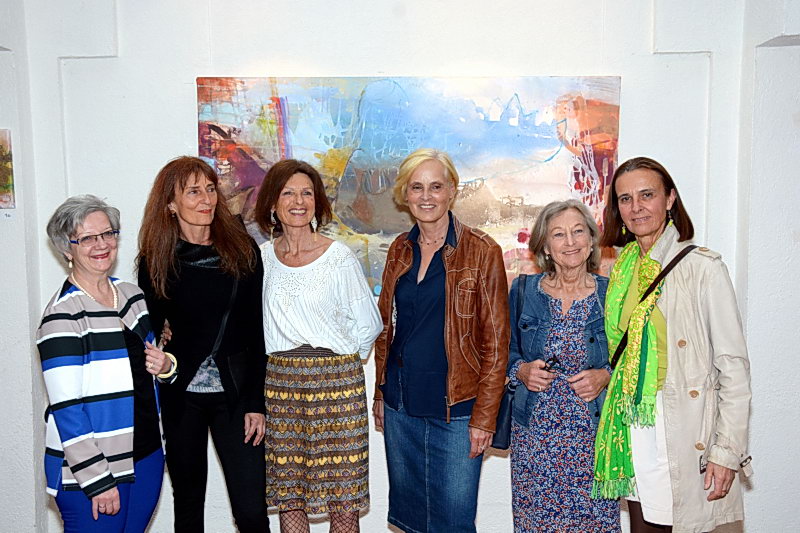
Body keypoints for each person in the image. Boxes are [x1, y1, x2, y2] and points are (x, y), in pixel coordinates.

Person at [593, 157, 752, 532]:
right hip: (634, 424)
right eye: (626, 199)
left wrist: (726, 452)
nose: (636, 207)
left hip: (683, 424)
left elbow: (733, 367)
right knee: (645, 526)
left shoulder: (703, 268)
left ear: (670, 199)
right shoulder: (622, 269)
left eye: (647, 195)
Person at [372, 148, 510, 533]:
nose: (426, 196)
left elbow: (496, 344)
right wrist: (381, 393)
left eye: (436, 186)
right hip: (401, 405)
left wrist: (485, 417)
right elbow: (386, 329)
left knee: (453, 522)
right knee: (412, 520)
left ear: (452, 190)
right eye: (416, 187)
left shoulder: (482, 250)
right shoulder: (399, 249)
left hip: (458, 410)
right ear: (405, 194)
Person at [137, 156, 269, 532]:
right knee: (189, 504)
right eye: (193, 191)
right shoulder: (157, 260)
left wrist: (255, 404)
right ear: (171, 203)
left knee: (251, 510)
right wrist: (162, 339)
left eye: (210, 189)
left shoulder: (243, 250)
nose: (206, 199)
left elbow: (256, 331)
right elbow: (150, 332)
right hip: (182, 395)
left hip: (235, 395)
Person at [254, 159, 381, 533]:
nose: (299, 201)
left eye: (307, 193)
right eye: (288, 193)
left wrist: (336, 360)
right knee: (291, 498)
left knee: (343, 501)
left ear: (317, 201)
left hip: (337, 388)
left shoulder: (339, 257)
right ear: (272, 203)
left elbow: (370, 324)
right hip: (281, 388)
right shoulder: (261, 259)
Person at [37, 195, 172, 532]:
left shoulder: (131, 295)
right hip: (92, 470)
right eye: (87, 238)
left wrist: (166, 366)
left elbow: (148, 370)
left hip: (146, 455)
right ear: (67, 249)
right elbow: (67, 409)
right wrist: (97, 479)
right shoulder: (62, 316)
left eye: (108, 233)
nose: (101, 245)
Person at [506, 200, 620, 532]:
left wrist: (605, 375)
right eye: (558, 234)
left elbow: (632, 361)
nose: (570, 242)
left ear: (592, 240)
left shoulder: (611, 295)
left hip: (594, 438)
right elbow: (503, 354)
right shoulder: (524, 292)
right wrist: (521, 371)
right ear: (545, 245)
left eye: (578, 231)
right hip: (535, 439)